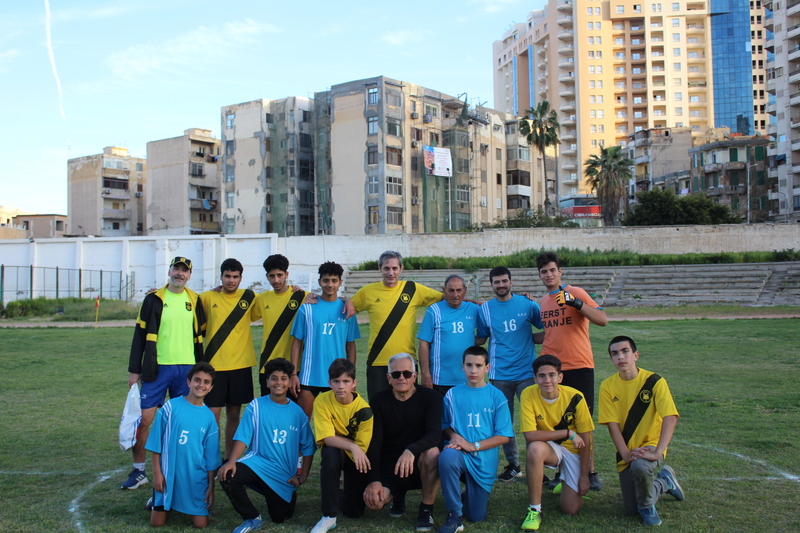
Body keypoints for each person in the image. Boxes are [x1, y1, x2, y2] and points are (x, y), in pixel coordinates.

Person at [123, 256, 206, 490]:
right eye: (176, 269)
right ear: (169, 271)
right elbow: (139, 335)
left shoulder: (195, 299)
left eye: (184, 270)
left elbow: (202, 332)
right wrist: (134, 370)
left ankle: (179, 469)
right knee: (145, 419)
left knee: (182, 421)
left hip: (187, 370)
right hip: (157, 368)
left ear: (189, 275)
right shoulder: (153, 299)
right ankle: (139, 471)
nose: (180, 273)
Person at [536, 251, 608, 490]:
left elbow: (602, 319)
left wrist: (576, 303)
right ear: (539, 275)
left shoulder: (575, 292)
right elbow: (551, 332)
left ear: (560, 271)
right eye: (544, 272)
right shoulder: (543, 302)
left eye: (552, 270)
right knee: (558, 422)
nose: (548, 275)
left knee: (583, 422)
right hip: (553, 370)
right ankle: (564, 471)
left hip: (579, 365)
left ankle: (591, 471)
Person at [218, 358, 315, 533]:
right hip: (258, 462)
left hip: (283, 473)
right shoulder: (256, 406)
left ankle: (281, 493)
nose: (279, 382)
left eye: (283, 378)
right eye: (274, 378)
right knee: (228, 475)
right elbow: (243, 437)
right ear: (267, 382)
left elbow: (308, 446)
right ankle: (252, 517)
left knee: (280, 517)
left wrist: (303, 477)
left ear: (289, 382)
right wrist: (231, 461)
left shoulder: (298, 413)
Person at [599, 336, 684, 526]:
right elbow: (612, 425)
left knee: (640, 467)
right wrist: (625, 454)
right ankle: (665, 482)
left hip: (650, 445)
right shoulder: (607, 386)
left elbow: (670, 417)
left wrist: (657, 451)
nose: (620, 357)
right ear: (611, 359)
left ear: (636, 355)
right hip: (627, 449)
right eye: (615, 354)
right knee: (631, 509)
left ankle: (647, 508)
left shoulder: (654, 381)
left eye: (625, 351)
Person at [475, 266, 544, 482]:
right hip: (499, 374)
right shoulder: (486, 309)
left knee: (534, 421)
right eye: (496, 282)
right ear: (491, 285)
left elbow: (547, 328)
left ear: (511, 282)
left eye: (504, 281)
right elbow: (481, 338)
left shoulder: (528, 304)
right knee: (504, 423)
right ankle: (514, 465)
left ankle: (538, 464)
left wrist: (529, 339)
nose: (501, 285)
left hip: (526, 372)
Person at [437, 346, 513, 533]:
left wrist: (473, 446)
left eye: (478, 366)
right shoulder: (452, 394)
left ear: (487, 368)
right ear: (462, 366)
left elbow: (504, 436)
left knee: (476, 516)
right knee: (446, 458)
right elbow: (444, 424)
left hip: (483, 459)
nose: (473, 370)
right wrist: (453, 436)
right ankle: (455, 515)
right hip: (459, 453)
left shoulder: (497, 396)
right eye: (469, 365)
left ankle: (469, 493)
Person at [364, 353, 443, 531]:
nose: (402, 378)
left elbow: (434, 435)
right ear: (388, 378)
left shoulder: (431, 398)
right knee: (375, 503)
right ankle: (397, 494)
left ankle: (426, 509)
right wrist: (374, 480)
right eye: (396, 374)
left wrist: (411, 450)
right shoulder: (378, 400)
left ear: (415, 376)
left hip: (418, 461)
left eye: (407, 374)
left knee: (433, 453)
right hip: (391, 464)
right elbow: (375, 442)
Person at [351, 250, 443, 400]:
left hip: (407, 363)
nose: (391, 273)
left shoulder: (412, 289)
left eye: (394, 268)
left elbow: (447, 298)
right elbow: (345, 307)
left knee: (408, 407)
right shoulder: (368, 292)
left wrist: (475, 303)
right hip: (377, 361)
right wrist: (317, 298)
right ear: (379, 268)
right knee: (378, 408)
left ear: (401, 268)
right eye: (386, 268)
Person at [518, 355, 594, 531]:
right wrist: (567, 433)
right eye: (542, 376)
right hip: (550, 446)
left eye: (552, 375)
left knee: (570, 509)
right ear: (535, 378)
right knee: (534, 449)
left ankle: (565, 482)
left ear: (560, 377)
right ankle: (535, 510)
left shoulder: (575, 397)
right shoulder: (528, 394)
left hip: (573, 450)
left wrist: (584, 476)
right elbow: (530, 435)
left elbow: (586, 439)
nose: (547, 380)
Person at [144, 362, 221, 528]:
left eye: (206, 382)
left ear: (211, 387)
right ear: (188, 382)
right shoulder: (170, 408)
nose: (201, 385)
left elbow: (211, 457)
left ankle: (182, 501)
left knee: (201, 524)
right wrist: (157, 474)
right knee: (157, 523)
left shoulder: (209, 418)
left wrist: (211, 487)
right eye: (197, 380)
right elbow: (156, 444)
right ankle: (160, 501)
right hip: (168, 475)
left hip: (194, 477)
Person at [199, 258, 256, 460]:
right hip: (214, 367)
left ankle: (230, 458)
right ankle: (211, 458)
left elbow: (276, 300)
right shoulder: (207, 297)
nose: (231, 280)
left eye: (235, 277)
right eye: (227, 276)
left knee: (233, 415)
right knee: (212, 415)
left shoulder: (250, 297)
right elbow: (184, 299)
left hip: (240, 365)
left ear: (241, 278)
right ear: (221, 277)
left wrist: (298, 290)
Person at [311, 358, 374, 533]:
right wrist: (352, 446)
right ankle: (329, 516)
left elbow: (361, 448)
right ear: (329, 383)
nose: (341, 386)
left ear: (354, 383)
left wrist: (352, 446)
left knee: (354, 511)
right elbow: (327, 439)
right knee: (330, 454)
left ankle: (335, 492)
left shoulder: (364, 410)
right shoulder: (322, 400)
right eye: (336, 381)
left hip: (356, 458)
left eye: (346, 381)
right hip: (338, 451)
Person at [289, 261, 361, 416]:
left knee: (337, 423)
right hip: (310, 375)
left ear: (340, 282)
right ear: (319, 281)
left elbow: (350, 345)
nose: (330, 284)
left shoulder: (347, 310)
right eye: (326, 280)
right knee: (302, 422)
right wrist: (293, 374)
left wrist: (351, 375)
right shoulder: (306, 309)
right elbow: (296, 343)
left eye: (334, 281)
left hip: (338, 375)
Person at [250, 254, 307, 397]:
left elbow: (328, 300)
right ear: (267, 276)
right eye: (272, 276)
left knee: (293, 409)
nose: (276, 280)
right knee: (268, 409)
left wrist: (347, 301)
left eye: (279, 275)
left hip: (295, 367)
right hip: (268, 366)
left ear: (287, 274)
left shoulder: (302, 297)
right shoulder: (261, 299)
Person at [418, 275, 480, 395]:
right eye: (451, 290)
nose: (455, 294)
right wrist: (425, 374)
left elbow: (492, 309)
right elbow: (424, 343)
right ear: (444, 290)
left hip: (467, 378)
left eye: (459, 290)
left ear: (465, 290)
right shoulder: (434, 310)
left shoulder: (474, 309)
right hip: (440, 379)